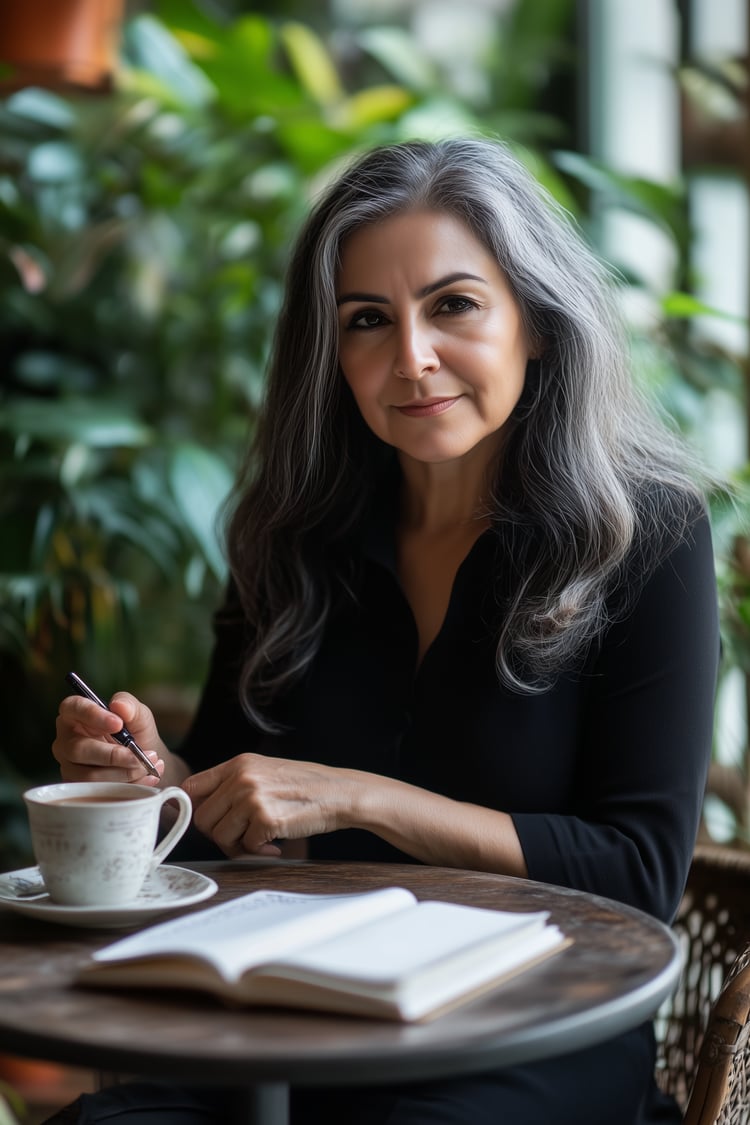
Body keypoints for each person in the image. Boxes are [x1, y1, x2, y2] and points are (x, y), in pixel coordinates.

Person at [48, 136, 719, 1125]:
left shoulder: (649, 533)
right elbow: (242, 822)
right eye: (368, 321)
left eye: (453, 305)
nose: (411, 359)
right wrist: (157, 779)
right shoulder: (291, 534)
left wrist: (359, 796)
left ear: (535, 321)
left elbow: (640, 872)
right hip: (296, 1016)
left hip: (533, 1029)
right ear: (333, 355)